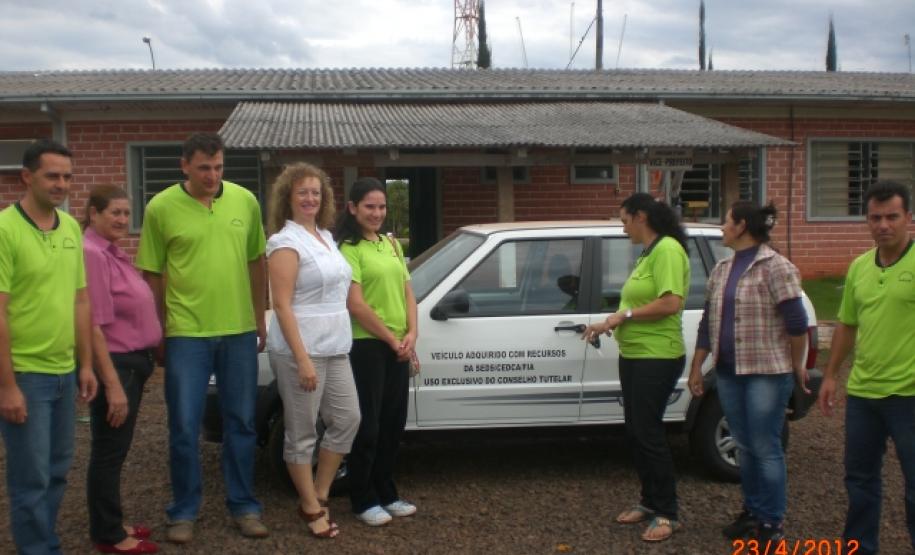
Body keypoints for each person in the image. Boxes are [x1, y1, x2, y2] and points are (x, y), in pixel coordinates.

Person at [136, 132, 268, 544]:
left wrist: (260, 316)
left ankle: (244, 506)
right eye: (204, 168)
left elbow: (256, 260)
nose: (212, 175)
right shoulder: (161, 208)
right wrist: (158, 329)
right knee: (183, 424)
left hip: (238, 332)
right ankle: (184, 511)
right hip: (186, 335)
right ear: (185, 166)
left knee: (242, 423)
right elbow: (153, 274)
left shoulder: (245, 201)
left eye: (218, 167)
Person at [687, 201, 809, 543]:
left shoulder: (776, 267)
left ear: (741, 226)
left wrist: (795, 368)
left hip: (767, 373)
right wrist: (697, 366)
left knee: (765, 447)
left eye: (726, 221)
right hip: (728, 372)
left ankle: (771, 525)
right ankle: (753, 511)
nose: (722, 226)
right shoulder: (722, 269)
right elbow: (707, 325)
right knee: (743, 444)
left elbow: (797, 325)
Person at [0, 139, 98, 555]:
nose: (61, 184)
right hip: (26, 374)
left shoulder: (72, 228)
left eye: (67, 177)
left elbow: (80, 300)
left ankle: (45, 543)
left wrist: (87, 365)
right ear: (27, 177)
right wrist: (7, 386)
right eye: (52, 176)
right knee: (31, 477)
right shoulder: (5, 229)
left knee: (57, 471)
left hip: (64, 371)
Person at [582, 192, 689, 543]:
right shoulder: (649, 252)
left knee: (649, 432)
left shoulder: (668, 249)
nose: (623, 227)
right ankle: (649, 501)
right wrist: (609, 323)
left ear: (641, 217)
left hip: (657, 356)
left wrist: (623, 315)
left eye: (625, 220)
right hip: (636, 354)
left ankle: (667, 513)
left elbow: (671, 302)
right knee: (636, 430)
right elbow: (642, 299)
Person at [817, 181, 915, 555]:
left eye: (892, 216)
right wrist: (831, 375)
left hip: (909, 395)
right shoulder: (859, 266)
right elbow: (846, 324)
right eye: (875, 218)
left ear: (908, 217)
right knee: (859, 482)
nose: (883, 225)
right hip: (863, 394)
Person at [265, 163, 360, 539]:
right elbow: (283, 305)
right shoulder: (284, 242)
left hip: (335, 344)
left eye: (316, 193)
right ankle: (308, 505)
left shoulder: (324, 235)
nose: (310, 198)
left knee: (348, 418)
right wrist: (302, 359)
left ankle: (320, 492)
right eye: (302, 192)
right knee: (302, 432)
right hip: (300, 349)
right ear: (288, 197)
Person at [335, 177, 418, 527]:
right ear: (353, 208)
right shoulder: (348, 249)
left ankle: (387, 493)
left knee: (392, 424)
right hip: (368, 346)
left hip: (398, 345)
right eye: (369, 206)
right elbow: (356, 305)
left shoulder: (392, 245)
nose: (377, 213)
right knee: (367, 427)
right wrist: (389, 338)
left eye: (381, 206)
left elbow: (407, 292)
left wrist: (412, 334)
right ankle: (363, 498)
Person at [83, 186, 162, 554]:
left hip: (134, 363)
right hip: (117, 364)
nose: (121, 220)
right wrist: (112, 385)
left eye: (126, 213)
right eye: (114, 212)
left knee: (115, 450)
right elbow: (93, 323)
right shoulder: (92, 255)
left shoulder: (112, 252)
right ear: (93, 213)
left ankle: (110, 522)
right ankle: (109, 536)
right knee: (109, 451)